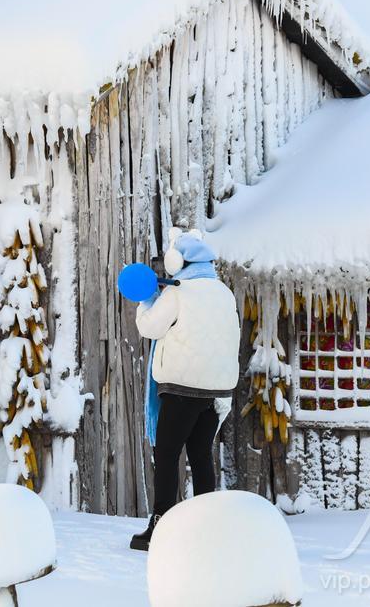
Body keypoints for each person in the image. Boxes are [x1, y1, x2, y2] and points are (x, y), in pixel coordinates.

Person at [129, 229, 240, 551]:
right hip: (217, 391)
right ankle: (207, 526)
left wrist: (147, 299)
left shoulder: (179, 292)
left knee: (166, 454)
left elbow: (150, 327)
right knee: (201, 454)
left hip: (182, 388)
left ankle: (160, 524)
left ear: (178, 261)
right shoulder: (223, 292)